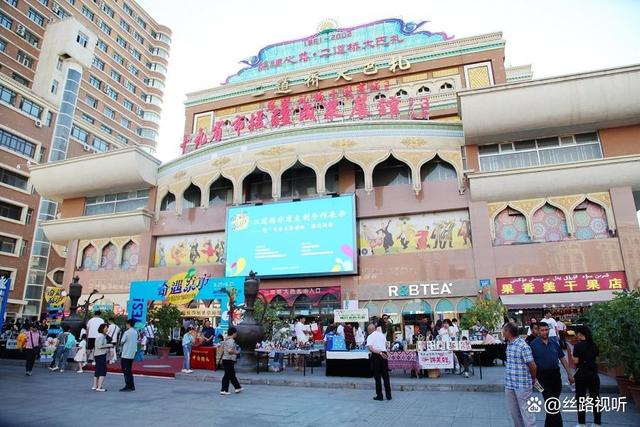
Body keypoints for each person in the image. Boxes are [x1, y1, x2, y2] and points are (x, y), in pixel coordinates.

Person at [529, 321, 574, 427]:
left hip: (555, 376)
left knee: (553, 402)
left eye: (546, 330)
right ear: (538, 331)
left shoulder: (554, 342)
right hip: (541, 378)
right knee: (551, 402)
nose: (545, 332)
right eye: (542, 330)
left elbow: (562, 358)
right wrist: (533, 378)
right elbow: (530, 363)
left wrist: (570, 374)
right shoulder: (533, 345)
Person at [503, 322, 537, 427]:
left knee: (526, 413)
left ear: (508, 332)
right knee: (514, 413)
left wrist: (533, 379)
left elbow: (532, 365)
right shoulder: (509, 344)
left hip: (522, 384)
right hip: (510, 384)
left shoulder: (523, 346)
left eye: (504, 330)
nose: (503, 332)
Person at [572, 325, 601, 427]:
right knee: (595, 398)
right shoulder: (594, 345)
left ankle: (581, 423)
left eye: (576, 334)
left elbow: (576, 361)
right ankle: (597, 422)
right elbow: (597, 359)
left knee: (581, 398)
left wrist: (572, 353)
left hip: (581, 375)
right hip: (593, 374)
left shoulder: (578, 346)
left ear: (580, 334)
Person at [367, 319, 391, 401]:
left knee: (377, 377)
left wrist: (379, 352)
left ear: (370, 330)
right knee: (385, 376)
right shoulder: (381, 335)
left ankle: (379, 395)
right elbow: (386, 344)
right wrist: (382, 352)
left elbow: (370, 348)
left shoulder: (370, 336)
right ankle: (388, 395)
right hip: (384, 354)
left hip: (376, 355)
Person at [220, 327, 243, 395]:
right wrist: (236, 352)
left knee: (231, 374)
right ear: (233, 333)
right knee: (227, 375)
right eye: (236, 333)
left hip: (226, 359)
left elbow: (223, 348)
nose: (236, 334)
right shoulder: (231, 341)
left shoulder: (225, 340)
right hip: (229, 359)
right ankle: (224, 390)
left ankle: (237, 387)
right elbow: (230, 351)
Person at [92, 323, 113, 392]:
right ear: (102, 328)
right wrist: (108, 345)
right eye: (106, 328)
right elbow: (100, 346)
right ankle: (99, 387)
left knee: (97, 371)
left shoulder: (99, 336)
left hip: (97, 355)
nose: (107, 329)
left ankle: (95, 386)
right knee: (102, 371)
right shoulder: (101, 336)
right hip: (101, 354)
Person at [119, 319, 138, 392]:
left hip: (126, 354)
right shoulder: (135, 332)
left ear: (128, 324)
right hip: (132, 354)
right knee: (129, 370)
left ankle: (128, 386)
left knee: (126, 371)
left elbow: (122, 341)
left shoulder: (127, 332)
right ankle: (132, 385)